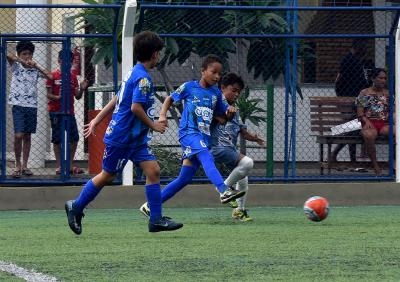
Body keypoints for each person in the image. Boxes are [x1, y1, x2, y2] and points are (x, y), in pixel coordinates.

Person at [64, 31, 183, 234]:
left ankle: (155, 220)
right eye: (160, 53)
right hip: (122, 138)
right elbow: (135, 108)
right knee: (107, 176)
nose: (160, 56)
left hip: (134, 140)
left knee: (153, 171)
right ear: (154, 54)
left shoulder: (133, 72)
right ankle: (76, 206)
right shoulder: (143, 79)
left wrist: (96, 119)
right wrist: (154, 125)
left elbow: (117, 99)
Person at [139, 55, 246, 218]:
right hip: (189, 133)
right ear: (203, 71)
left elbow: (223, 119)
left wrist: (230, 113)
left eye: (219, 74)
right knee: (206, 155)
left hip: (203, 138)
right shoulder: (189, 87)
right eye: (214, 72)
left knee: (184, 178)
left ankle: (150, 206)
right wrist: (162, 115)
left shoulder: (216, 93)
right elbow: (169, 99)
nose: (217, 76)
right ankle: (224, 191)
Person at [210, 73, 265, 221]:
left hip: (228, 150)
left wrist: (256, 139)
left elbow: (243, 133)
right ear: (222, 88)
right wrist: (224, 113)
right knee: (247, 163)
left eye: (238, 91)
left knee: (244, 178)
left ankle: (239, 211)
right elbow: (215, 119)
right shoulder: (214, 104)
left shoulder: (235, 111)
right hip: (216, 148)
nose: (236, 94)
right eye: (233, 90)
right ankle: (223, 188)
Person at [7, 41, 53, 178]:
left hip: (32, 105)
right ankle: (17, 165)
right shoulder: (16, 66)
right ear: (20, 54)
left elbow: (50, 76)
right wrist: (21, 60)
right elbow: (8, 56)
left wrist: (36, 66)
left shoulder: (34, 70)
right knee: (18, 135)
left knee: (27, 136)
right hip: (18, 105)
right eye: (24, 54)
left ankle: (25, 166)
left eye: (29, 54)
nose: (27, 56)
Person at [46, 50, 88, 175]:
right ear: (59, 61)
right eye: (64, 62)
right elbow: (48, 94)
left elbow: (78, 96)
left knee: (74, 139)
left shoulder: (73, 77)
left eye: (69, 62)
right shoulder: (53, 75)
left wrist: (82, 88)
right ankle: (59, 166)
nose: (67, 65)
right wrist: (57, 98)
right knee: (57, 139)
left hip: (70, 112)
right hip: (56, 112)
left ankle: (69, 165)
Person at [332, 39, 371, 163]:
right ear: (359, 48)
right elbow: (339, 80)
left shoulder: (350, 60)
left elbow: (338, 80)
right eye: (364, 49)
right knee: (353, 127)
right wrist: (343, 97)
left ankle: (349, 157)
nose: (365, 52)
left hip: (354, 98)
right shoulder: (351, 61)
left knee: (354, 127)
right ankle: (350, 157)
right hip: (353, 98)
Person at [356, 68, 391, 176]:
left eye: (385, 78)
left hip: (384, 124)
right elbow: (360, 112)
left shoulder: (388, 93)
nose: (383, 80)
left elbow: (393, 109)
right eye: (380, 78)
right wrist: (366, 121)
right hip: (369, 123)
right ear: (373, 78)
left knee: (397, 132)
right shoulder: (365, 92)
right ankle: (375, 166)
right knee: (369, 135)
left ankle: (393, 164)